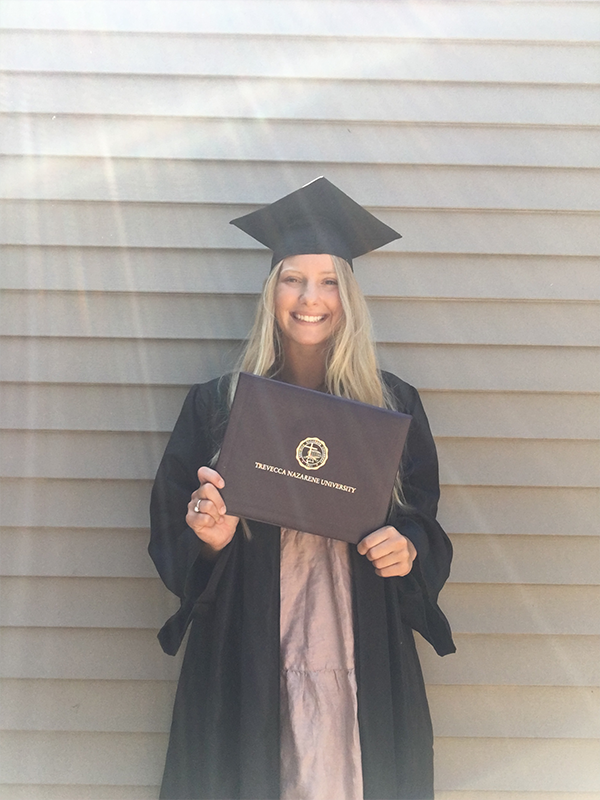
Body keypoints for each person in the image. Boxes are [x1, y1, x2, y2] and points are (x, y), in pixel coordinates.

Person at [149, 177, 455, 800]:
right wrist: (209, 537)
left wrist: (407, 547)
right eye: (293, 278)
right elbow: (172, 533)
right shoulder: (216, 406)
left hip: (362, 638)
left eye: (329, 281)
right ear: (271, 290)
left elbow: (423, 520)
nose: (310, 298)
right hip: (246, 645)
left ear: (350, 296)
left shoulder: (393, 406)